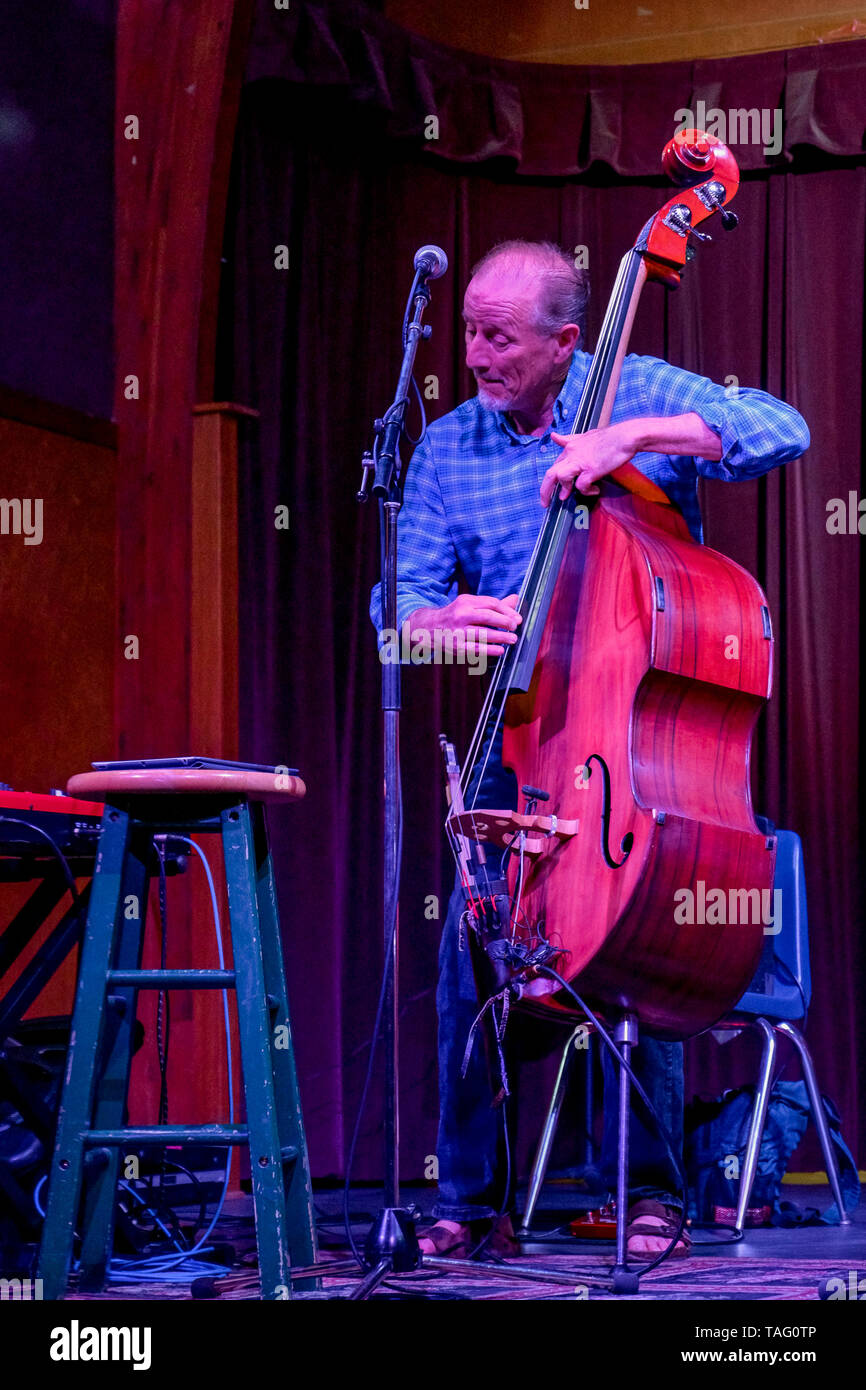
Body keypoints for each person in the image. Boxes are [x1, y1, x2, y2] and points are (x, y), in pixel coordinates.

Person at [370, 239, 809, 1259]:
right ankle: (469, 1200)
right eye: (468, 330)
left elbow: (780, 429)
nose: (475, 353)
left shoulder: (630, 384)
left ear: (565, 340)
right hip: (518, 731)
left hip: (631, 732)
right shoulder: (443, 448)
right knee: (468, 957)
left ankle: (648, 1193)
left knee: (634, 932)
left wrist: (631, 438)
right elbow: (397, 608)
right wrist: (433, 625)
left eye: (500, 338)